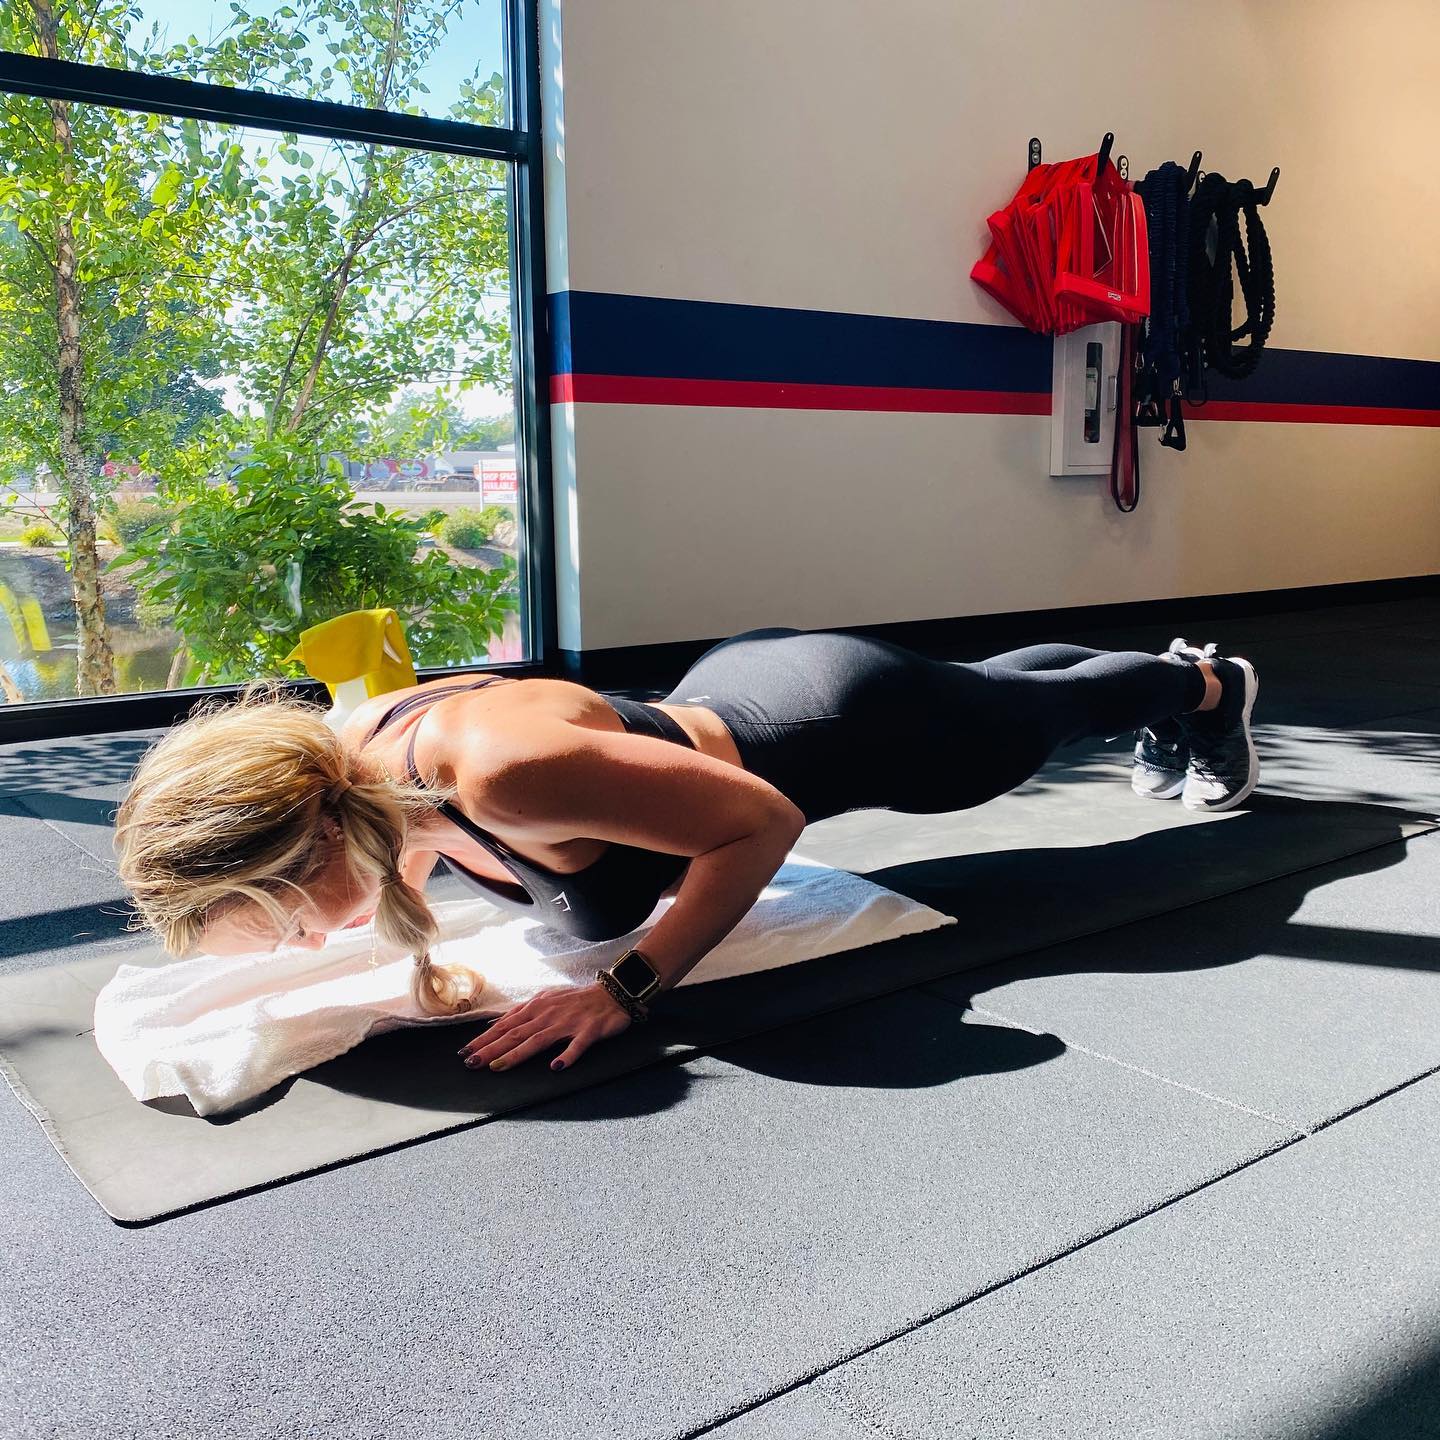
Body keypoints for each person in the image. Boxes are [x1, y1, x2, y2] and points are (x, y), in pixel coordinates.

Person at [114, 626, 1259, 1077]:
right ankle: (1112, 679)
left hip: (841, 722)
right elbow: (397, 863)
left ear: (310, 840)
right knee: (992, 691)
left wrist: (627, 988)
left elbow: (764, 824)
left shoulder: (497, 775)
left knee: (1019, 724)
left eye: (285, 923)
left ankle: (1206, 683)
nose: (305, 943)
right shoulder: (355, 765)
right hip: (729, 690)